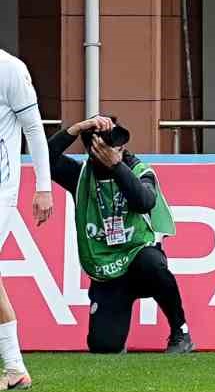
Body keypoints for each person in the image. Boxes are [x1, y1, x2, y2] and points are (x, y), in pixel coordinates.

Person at [47, 116, 192, 355]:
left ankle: (180, 330)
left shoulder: (138, 169)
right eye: (110, 142)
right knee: (104, 346)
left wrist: (117, 167)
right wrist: (76, 129)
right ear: (93, 149)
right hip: (107, 272)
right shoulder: (81, 176)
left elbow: (144, 201)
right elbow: (45, 156)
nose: (119, 146)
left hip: (138, 260)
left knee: (153, 263)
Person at [1, 48, 53, 390]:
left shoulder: (10, 69)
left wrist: (43, 187)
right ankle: (16, 369)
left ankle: (16, 367)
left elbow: (34, 130)